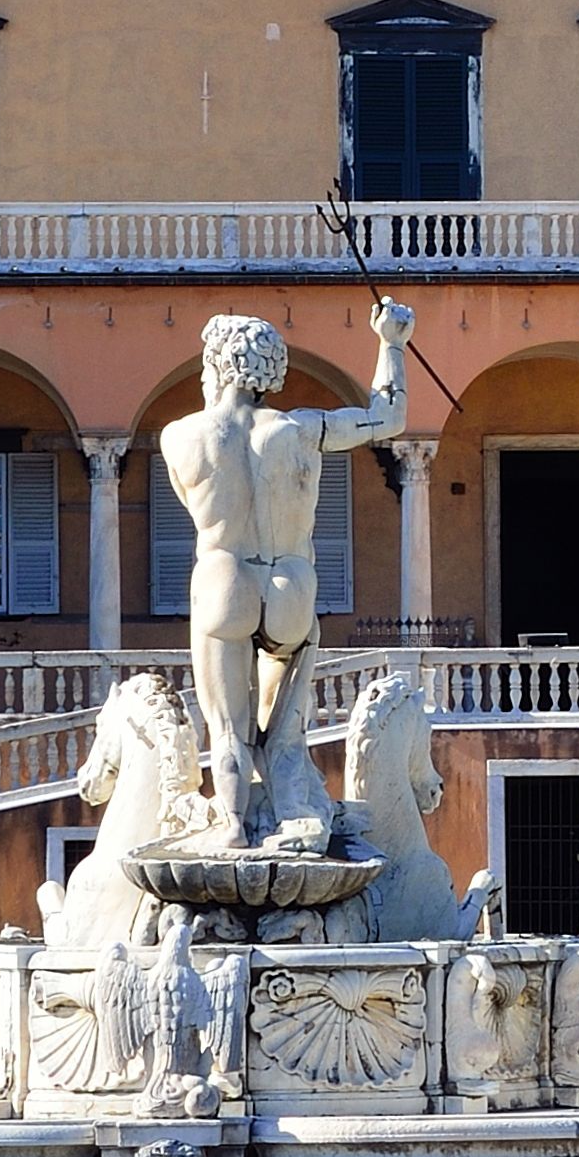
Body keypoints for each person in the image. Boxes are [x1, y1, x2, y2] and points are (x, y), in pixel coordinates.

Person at [163, 298, 414, 846]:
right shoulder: (302, 429)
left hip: (225, 577)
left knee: (227, 728)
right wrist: (391, 344)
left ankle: (230, 826)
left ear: (217, 365)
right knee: (285, 730)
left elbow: (193, 504)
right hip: (290, 585)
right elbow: (388, 418)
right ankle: (292, 810)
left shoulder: (179, 436)